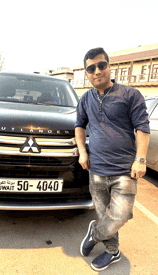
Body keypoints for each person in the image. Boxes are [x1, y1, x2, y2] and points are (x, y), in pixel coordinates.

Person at [75, 47, 150, 272]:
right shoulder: (85, 98)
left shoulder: (130, 95)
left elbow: (142, 128)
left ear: (109, 66)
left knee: (119, 215)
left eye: (101, 65)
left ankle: (95, 233)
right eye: (91, 68)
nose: (96, 71)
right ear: (86, 73)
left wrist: (141, 159)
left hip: (124, 170)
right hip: (96, 169)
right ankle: (112, 251)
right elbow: (79, 126)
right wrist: (82, 151)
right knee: (103, 213)